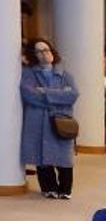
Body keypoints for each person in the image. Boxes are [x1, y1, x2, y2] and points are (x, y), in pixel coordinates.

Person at [20, 37, 79, 199]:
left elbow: (72, 95)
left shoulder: (65, 74)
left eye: (46, 49)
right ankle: (48, 188)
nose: (44, 54)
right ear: (34, 55)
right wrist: (59, 96)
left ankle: (65, 189)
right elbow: (29, 95)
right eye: (39, 51)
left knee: (64, 157)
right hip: (38, 121)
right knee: (42, 156)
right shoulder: (28, 73)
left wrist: (45, 92)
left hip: (61, 120)